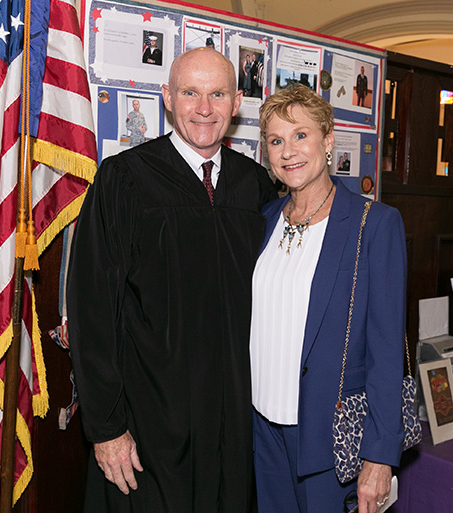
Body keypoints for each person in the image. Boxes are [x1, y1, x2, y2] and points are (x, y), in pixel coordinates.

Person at [67, 47, 277, 513]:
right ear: (166, 97)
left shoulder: (256, 186)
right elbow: (92, 309)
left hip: (233, 423)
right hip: (149, 423)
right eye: (190, 93)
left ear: (237, 101)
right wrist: (106, 428)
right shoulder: (126, 179)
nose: (204, 108)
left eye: (217, 93)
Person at [251, 84, 406, 513]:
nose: (289, 151)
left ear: (328, 139)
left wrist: (379, 455)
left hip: (330, 437)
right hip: (262, 432)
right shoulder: (264, 220)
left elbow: (387, 350)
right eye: (276, 141)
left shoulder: (374, 224)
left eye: (301, 135)